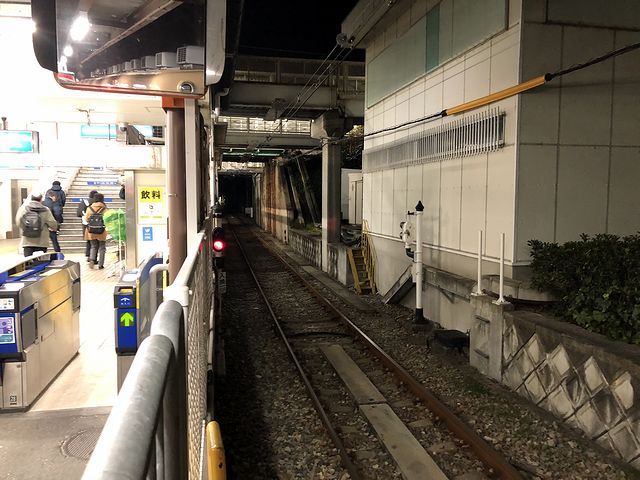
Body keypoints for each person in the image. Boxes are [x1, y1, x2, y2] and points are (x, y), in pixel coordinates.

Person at [15, 192, 58, 257]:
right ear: (41, 200)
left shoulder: (24, 209)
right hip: (42, 241)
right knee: (41, 261)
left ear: (31, 199)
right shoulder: (45, 210)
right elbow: (52, 223)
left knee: (28, 261)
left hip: (27, 241)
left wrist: (26, 228)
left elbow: (18, 221)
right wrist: (53, 228)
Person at [84, 192, 108, 269]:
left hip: (91, 230)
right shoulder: (104, 209)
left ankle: (92, 260)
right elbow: (107, 220)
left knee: (93, 246)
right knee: (102, 247)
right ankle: (101, 264)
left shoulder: (89, 208)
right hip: (101, 230)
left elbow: (86, 219)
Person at [77, 189, 98, 259]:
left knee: (88, 240)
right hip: (96, 223)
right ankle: (93, 257)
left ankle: (88, 254)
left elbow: (78, 213)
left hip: (85, 223)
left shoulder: (83, 202)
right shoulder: (97, 203)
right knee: (95, 241)